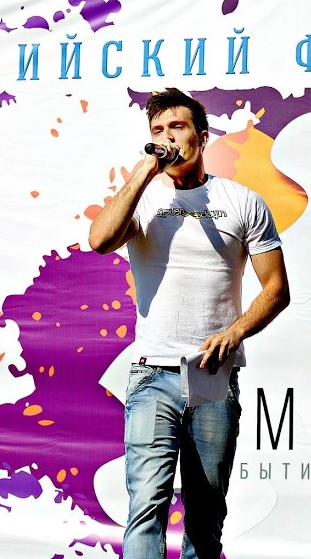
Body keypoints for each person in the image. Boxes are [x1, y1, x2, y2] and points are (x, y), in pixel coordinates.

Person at [89, 88, 290, 559]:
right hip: (151, 374)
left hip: (212, 375)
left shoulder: (241, 201)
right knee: (146, 508)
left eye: (176, 127)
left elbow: (276, 289)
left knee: (205, 515)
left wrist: (235, 333)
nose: (167, 137)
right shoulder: (142, 199)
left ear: (202, 137)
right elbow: (100, 240)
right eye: (157, 130)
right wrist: (145, 171)